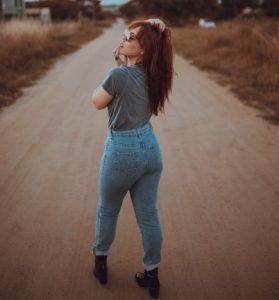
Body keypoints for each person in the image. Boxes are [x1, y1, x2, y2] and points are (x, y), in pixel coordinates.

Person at [91, 18, 173, 299]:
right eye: (125, 34)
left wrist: (116, 67)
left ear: (144, 49)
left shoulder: (118, 76)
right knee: (148, 216)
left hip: (122, 150)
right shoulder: (157, 74)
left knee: (107, 209)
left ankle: (100, 261)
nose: (123, 38)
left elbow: (97, 102)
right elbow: (127, 86)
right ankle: (152, 274)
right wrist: (154, 26)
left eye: (130, 36)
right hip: (150, 148)